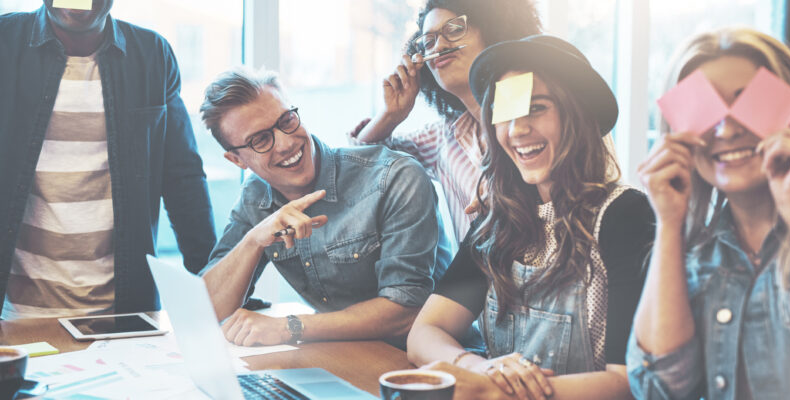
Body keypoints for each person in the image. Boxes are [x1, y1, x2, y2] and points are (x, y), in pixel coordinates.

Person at [407, 34, 655, 400]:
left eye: (537, 108)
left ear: (576, 113)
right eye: (505, 114)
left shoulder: (626, 214)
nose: (518, 130)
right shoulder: (498, 221)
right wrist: (477, 367)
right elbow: (424, 333)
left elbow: (629, 382)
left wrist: (495, 391)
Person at [198, 68, 451, 348]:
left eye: (287, 120)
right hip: (341, 358)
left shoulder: (394, 177)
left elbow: (405, 312)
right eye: (260, 140)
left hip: (424, 365)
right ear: (236, 159)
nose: (285, 142)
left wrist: (289, 328)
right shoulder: (256, 196)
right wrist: (254, 240)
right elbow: (206, 308)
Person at [0, 1, 216, 319]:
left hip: (123, 315)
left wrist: (216, 288)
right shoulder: (6, 42)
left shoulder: (152, 54)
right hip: (15, 317)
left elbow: (183, 180)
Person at [628, 27, 790, 399]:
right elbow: (660, 390)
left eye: (747, 104)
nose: (726, 128)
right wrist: (670, 222)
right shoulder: (693, 258)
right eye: (707, 111)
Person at [349, 0, 543, 242]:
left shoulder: (539, 106)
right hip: (478, 279)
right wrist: (390, 115)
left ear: (494, 29)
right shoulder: (444, 137)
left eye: (453, 29)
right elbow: (358, 167)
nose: (439, 46)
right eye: (428, 42)